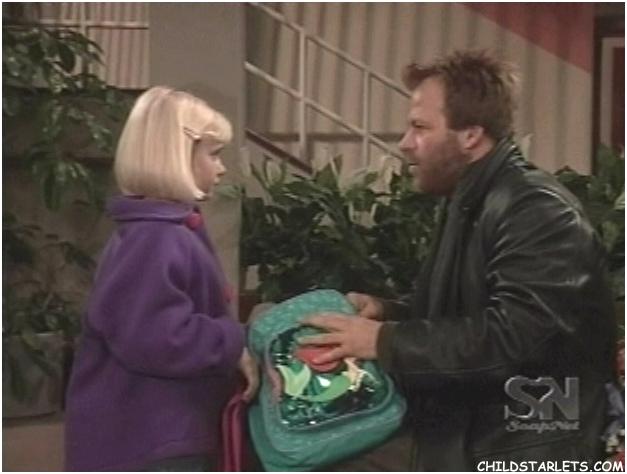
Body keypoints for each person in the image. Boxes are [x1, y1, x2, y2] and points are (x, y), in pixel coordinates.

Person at [302, 50, 616, 470]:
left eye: (420, 127)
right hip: (471, 435)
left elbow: (517, 339)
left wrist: (383, 341)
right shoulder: (472, 199)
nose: (405, 143)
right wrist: (387, 313)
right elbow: (469, 315)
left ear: (470, 135)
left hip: (518, 448)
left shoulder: (535, 209)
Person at [65, 86, 258, 471]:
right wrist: (233, 341)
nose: (221, 168)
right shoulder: (156, 237)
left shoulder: (159, 230)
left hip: (160, 430)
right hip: (151, 438)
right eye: (214, 154)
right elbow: (156, 337)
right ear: (177, 154)